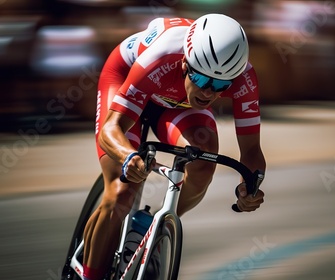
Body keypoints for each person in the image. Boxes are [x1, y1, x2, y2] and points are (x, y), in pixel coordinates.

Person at [83, 13, 266, 280]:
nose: (208, 93)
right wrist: (127, 156)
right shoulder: (161, 57)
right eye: (202, 81)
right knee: (121, 192)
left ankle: (153, 231)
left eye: (220, 86)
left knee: (203, 165)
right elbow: (112, 129)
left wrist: (249, 187)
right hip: (126, 77)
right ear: (184, 64)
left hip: (175, 101)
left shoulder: (244, 77)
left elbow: (251, 150)